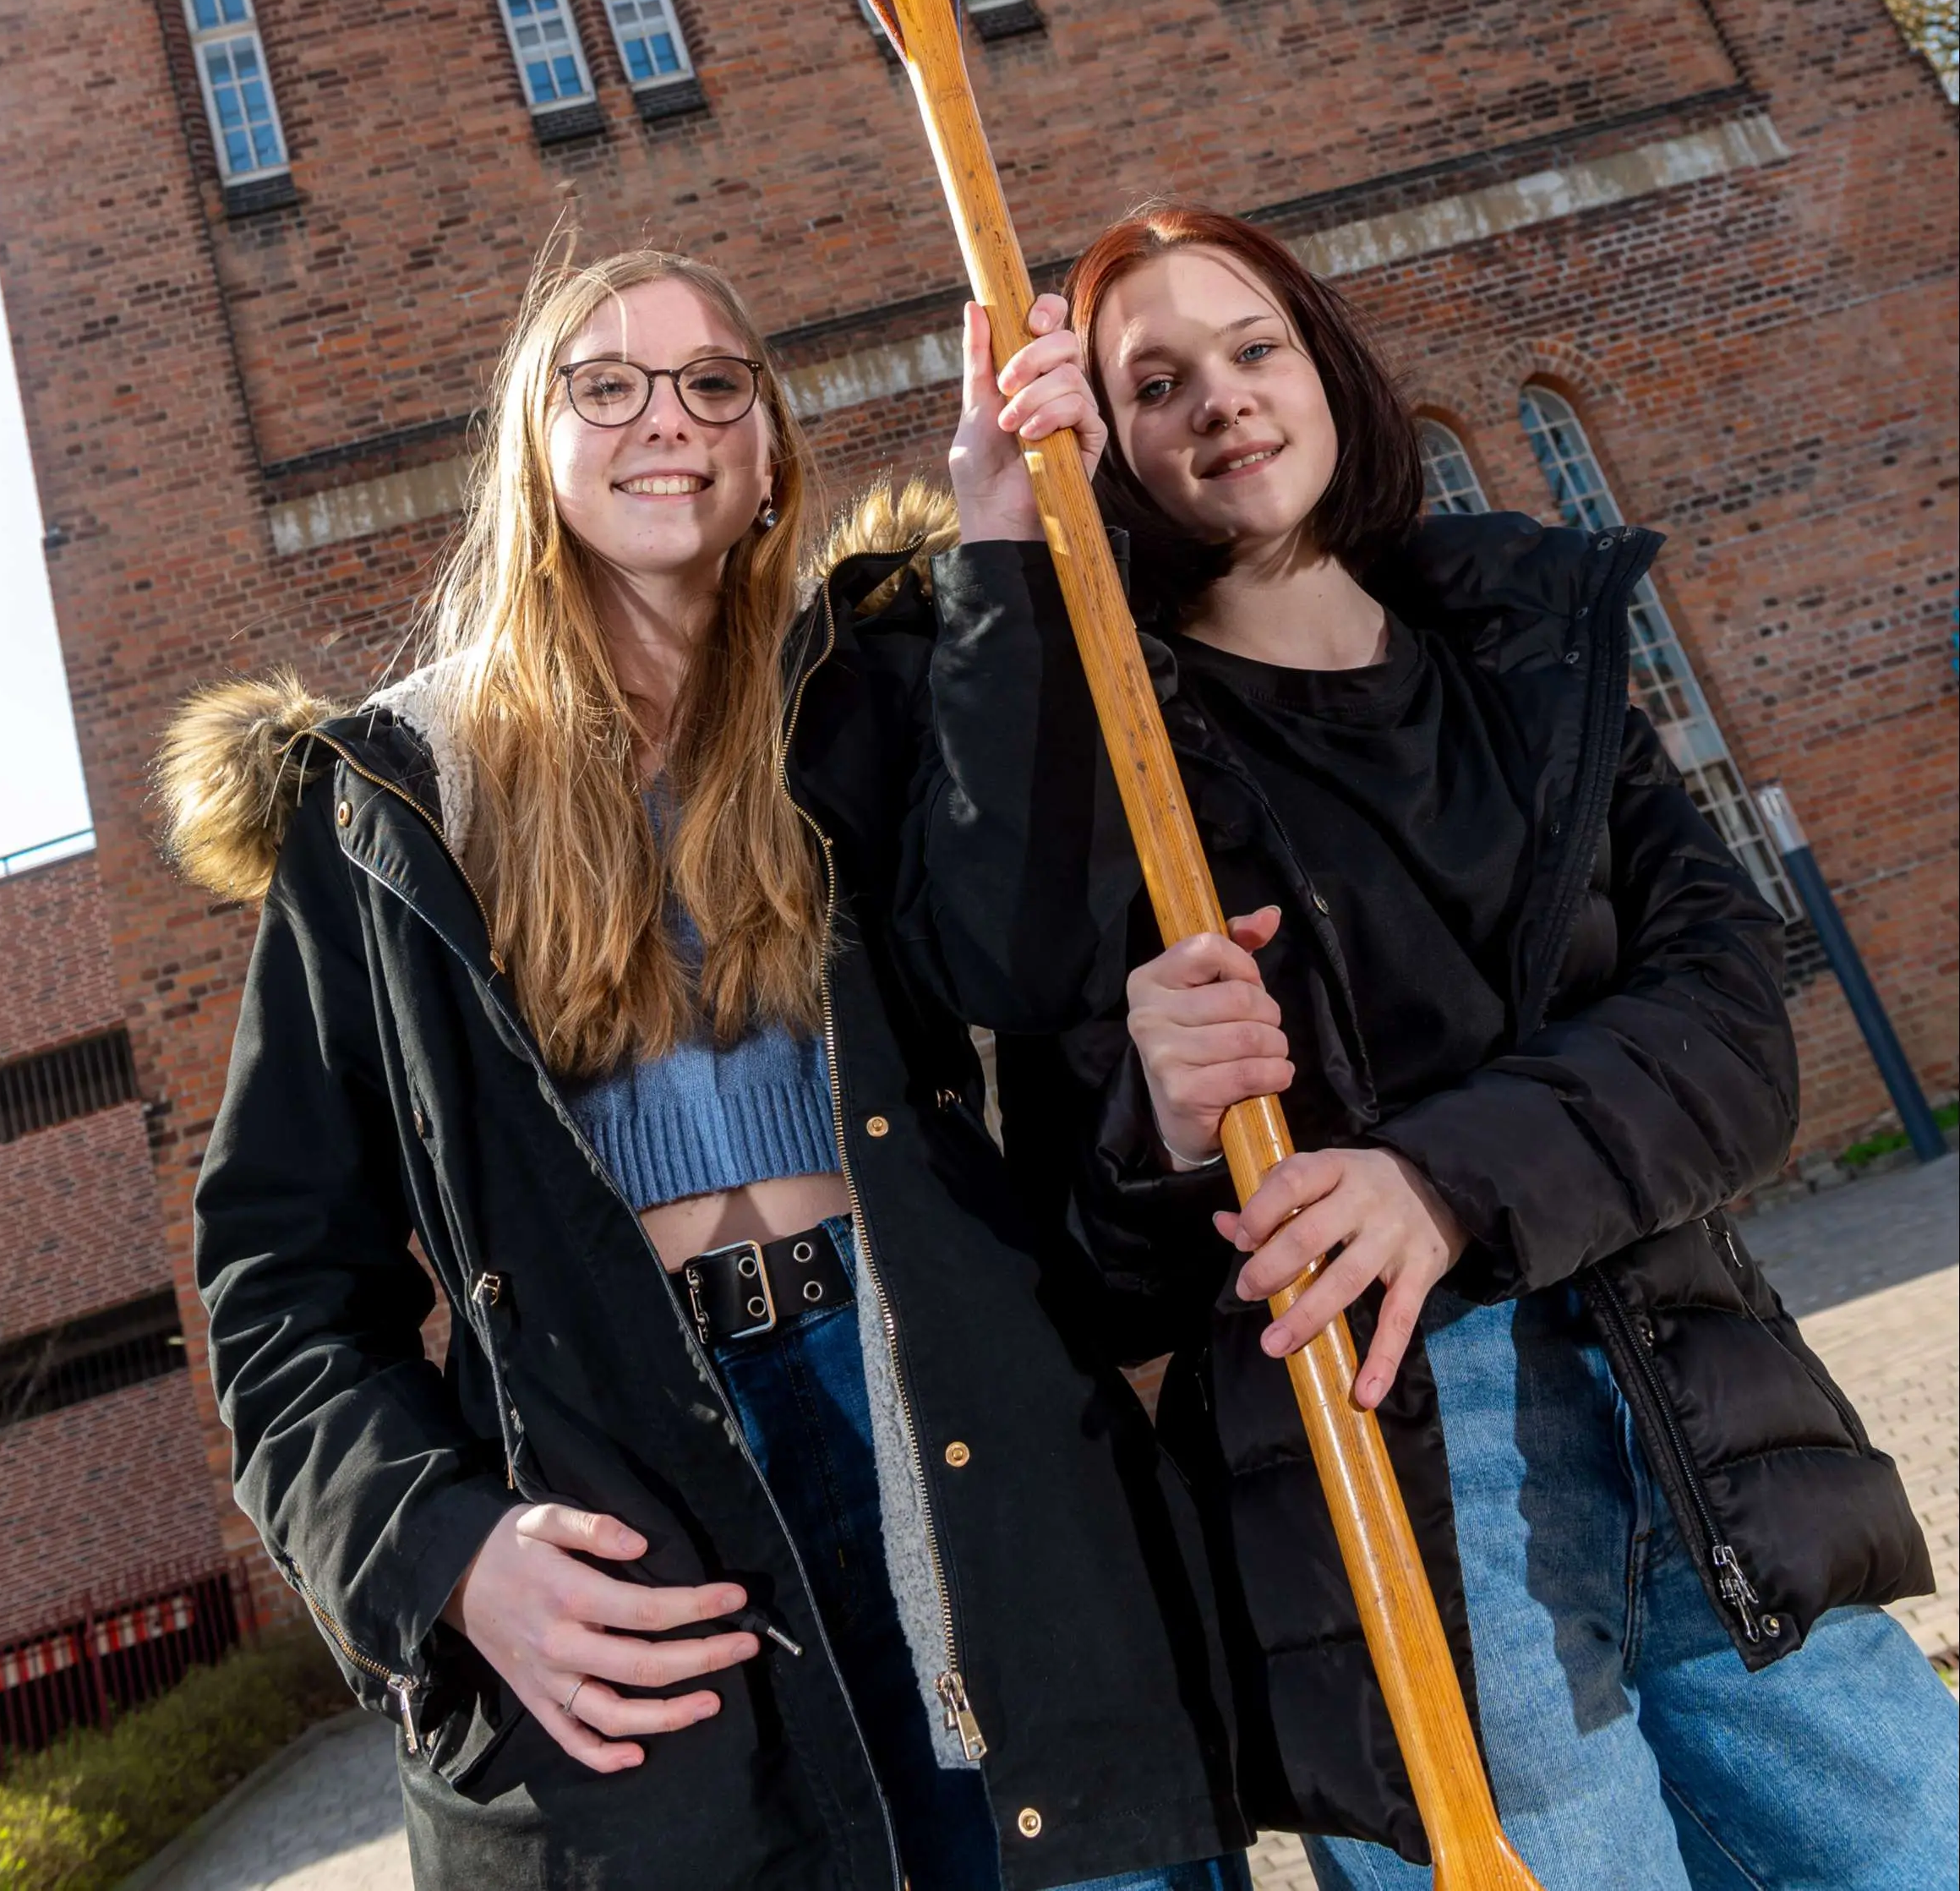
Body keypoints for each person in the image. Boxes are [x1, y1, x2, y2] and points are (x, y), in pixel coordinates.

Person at [167, 243, 1251, 1891]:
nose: (660, 416)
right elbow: (276, 1275)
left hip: (938, 1429)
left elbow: (1030, 959)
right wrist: (443, 1549)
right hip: (635, 1492)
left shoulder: (864, 700)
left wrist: (1001, 544)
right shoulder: (393, 803)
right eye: (601, 385)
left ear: (765, 454)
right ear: (533, 449)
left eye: (710, 382)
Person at [1023, 202, 1953, 1891]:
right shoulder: (1113, 775)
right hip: (1398, 1466)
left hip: (1687, 1386)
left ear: (1323, 369)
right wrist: (1159, 1117)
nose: (1217, 398)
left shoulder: (1538, 650)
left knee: (1906, 1840)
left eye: (1250, 349)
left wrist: (1441, 1179)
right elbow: (1100, 1265)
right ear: (1106, 446)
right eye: (1151, 382)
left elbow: (1735, 1028)